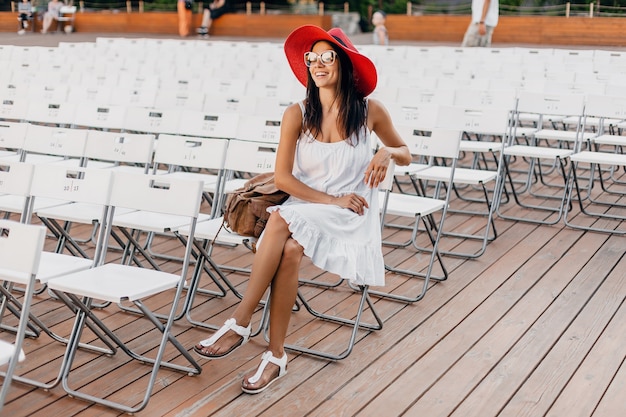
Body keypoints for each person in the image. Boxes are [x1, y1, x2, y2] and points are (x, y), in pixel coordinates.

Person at [192, 25, 411, 394]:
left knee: (279, 221)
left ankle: (241, 321)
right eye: (312, 58)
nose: (318, 64)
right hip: (310, 204)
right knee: (289, 250)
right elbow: (283, 178)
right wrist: (328, 199)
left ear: (344, 63)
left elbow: (406, 153)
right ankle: (276, 357)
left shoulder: (370, 111)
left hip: (350, 213)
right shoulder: (297, 114)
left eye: (327, 57)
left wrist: (386, 151)